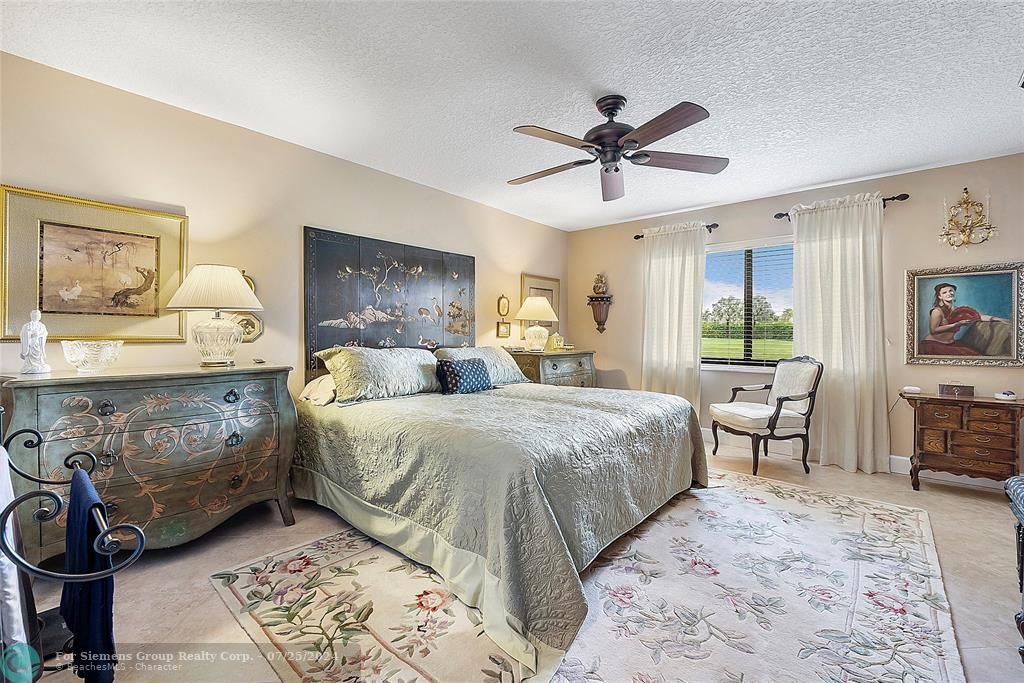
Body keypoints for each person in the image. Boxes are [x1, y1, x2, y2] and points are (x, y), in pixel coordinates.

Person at [919, 282, 1006, 356]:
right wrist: (957, 324)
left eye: (950, 291)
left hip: (951, 344)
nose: (949, 293)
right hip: (933, 345)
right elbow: (933, 330)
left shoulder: (959, 310)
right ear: (940, 297)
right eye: (944, 292)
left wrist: (997, 319)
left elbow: (979, 316)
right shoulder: (937, 311)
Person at [19, 309, 51, 373]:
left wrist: (39, 334)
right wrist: (31, 334)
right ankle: (29, 365)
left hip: (38, 343)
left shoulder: (42, 326)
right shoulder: (27, 325)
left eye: (38, 316)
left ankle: (39, 364)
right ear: (31, 316)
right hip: (31, 344)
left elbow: (45, 333)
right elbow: (23, 334)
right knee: (30, 355)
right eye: (34, 315)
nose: (36, 317)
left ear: (40, 317)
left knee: (39, 355)